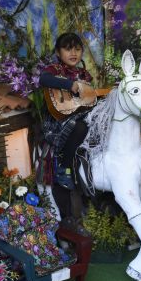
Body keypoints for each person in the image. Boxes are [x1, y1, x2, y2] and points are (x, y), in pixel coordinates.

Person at [38, 32, 93, 229]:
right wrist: (70, 85)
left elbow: (88, 98)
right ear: (58, 52)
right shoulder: (53, 70)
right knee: (80, 126)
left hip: (79, 114)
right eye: (68, 49)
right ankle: (63, 164)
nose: (74, 53)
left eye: (77, 49)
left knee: (92, 125)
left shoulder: (84, 74)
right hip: (57, 121)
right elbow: (44, 80)